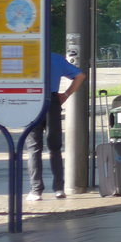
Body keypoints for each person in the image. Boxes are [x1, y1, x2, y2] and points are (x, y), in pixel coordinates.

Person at [25, 52, 86, 202]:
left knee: (34, 148)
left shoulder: (25, 55)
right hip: (52, 102)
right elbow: (80, 76)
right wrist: (65, 95)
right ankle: (59, 189)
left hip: (31, 101)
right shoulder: (55, 58)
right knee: (55, 147)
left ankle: (36, 190)